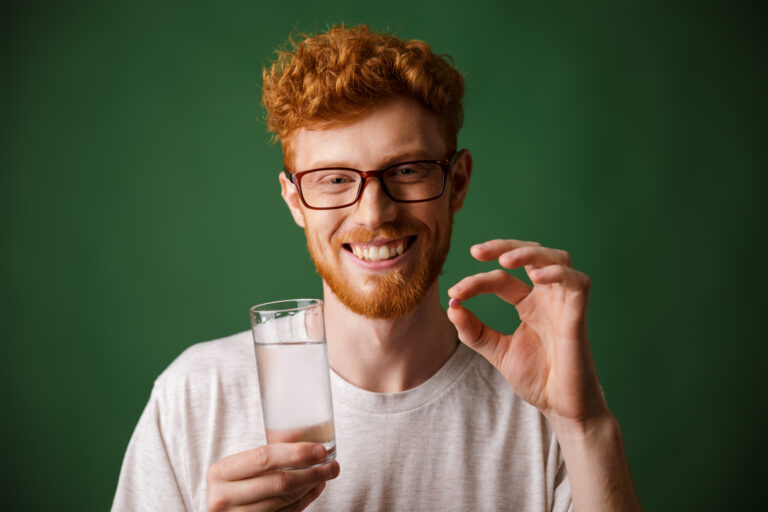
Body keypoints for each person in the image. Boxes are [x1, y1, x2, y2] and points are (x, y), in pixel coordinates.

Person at [112, 25, 642, 511]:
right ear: (294, 200)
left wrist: (586, 426)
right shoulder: (195, 397)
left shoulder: (545, 405)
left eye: (407, 170)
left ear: (456, 183)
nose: (375, 213)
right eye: (335, 179)